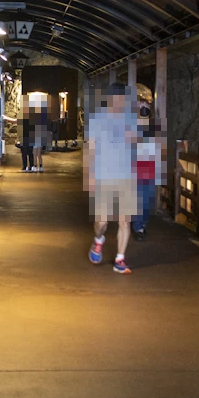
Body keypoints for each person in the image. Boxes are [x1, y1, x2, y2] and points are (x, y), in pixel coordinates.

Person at [84, 83, 139, 274]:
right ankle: (98, 240)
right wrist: (89, 175)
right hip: (103, 175)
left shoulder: (130, 118)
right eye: (116, 98)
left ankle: (120, 259)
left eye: (122, 99)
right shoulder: (97, 119)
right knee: (102, 222)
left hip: (125, 175)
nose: (119, 102)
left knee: (125, 221)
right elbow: (90, 147)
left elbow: (135, 142)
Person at [131, 102, 158, 240]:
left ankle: (140, 225)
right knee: (140, 198)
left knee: (146, 198)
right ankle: (138, 227)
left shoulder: (152, 128)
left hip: (148, 166)